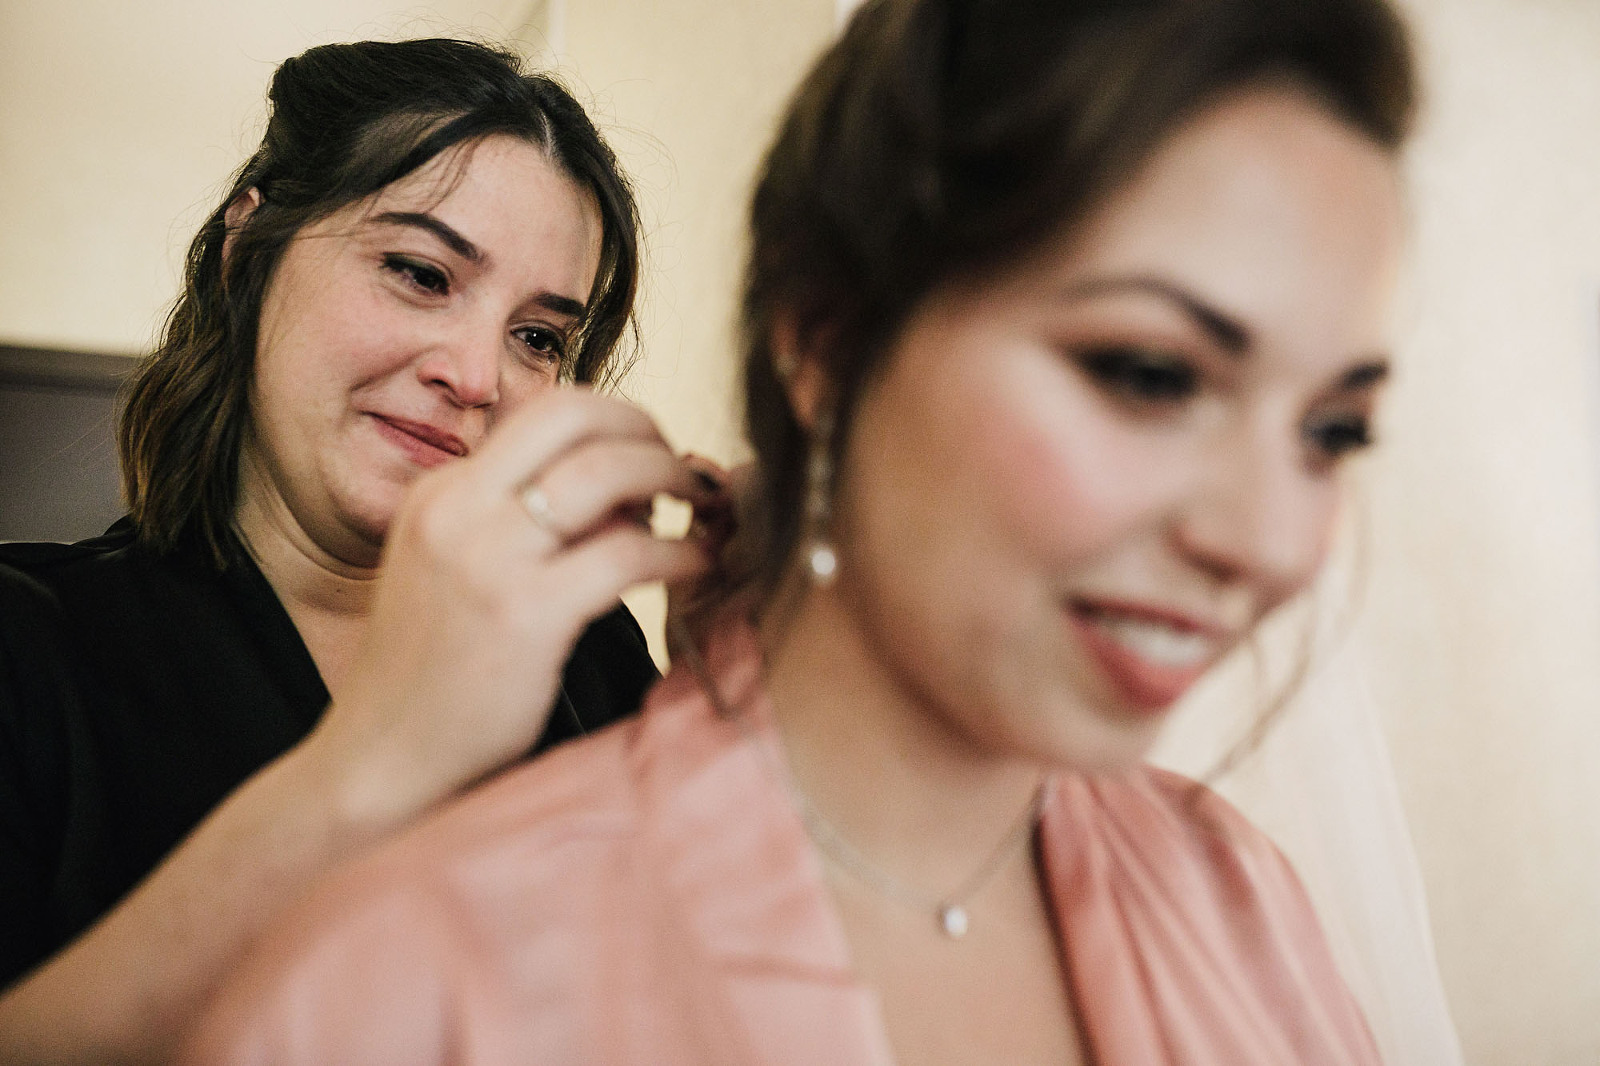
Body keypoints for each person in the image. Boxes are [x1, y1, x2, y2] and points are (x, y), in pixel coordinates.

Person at [182, 0, 1416, 1062]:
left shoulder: (1236, 889)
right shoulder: (407, 975)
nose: (1264, 539)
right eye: (1147, 372)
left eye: (1331, 432)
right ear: (826, 342)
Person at [0, 37, 722, 1065]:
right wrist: (382, 759)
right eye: (421, 272)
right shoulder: (32, 649)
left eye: (539, 337)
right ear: (247, 247)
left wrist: (720, 696)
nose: (477, 374)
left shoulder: (584, 656)